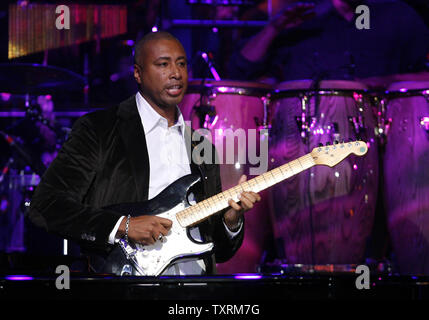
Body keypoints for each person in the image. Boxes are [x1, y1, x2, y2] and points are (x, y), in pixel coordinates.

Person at [28, 31, 261, 275]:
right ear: (138, 73)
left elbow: (220, 250)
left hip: (193, 289)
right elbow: (46, 206)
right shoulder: (99, 129)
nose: (176, 73)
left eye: (181, 63)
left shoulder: (202, 149)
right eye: (163, 64)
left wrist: (231, 219)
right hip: (125, 282)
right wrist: (123, 226)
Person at [229, 0, 429, 84]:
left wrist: (384, 83)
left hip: (378, 136)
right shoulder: (302, 15)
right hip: (299, 139)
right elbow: (239, 71)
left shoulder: (396, 14)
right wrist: (274, 28)